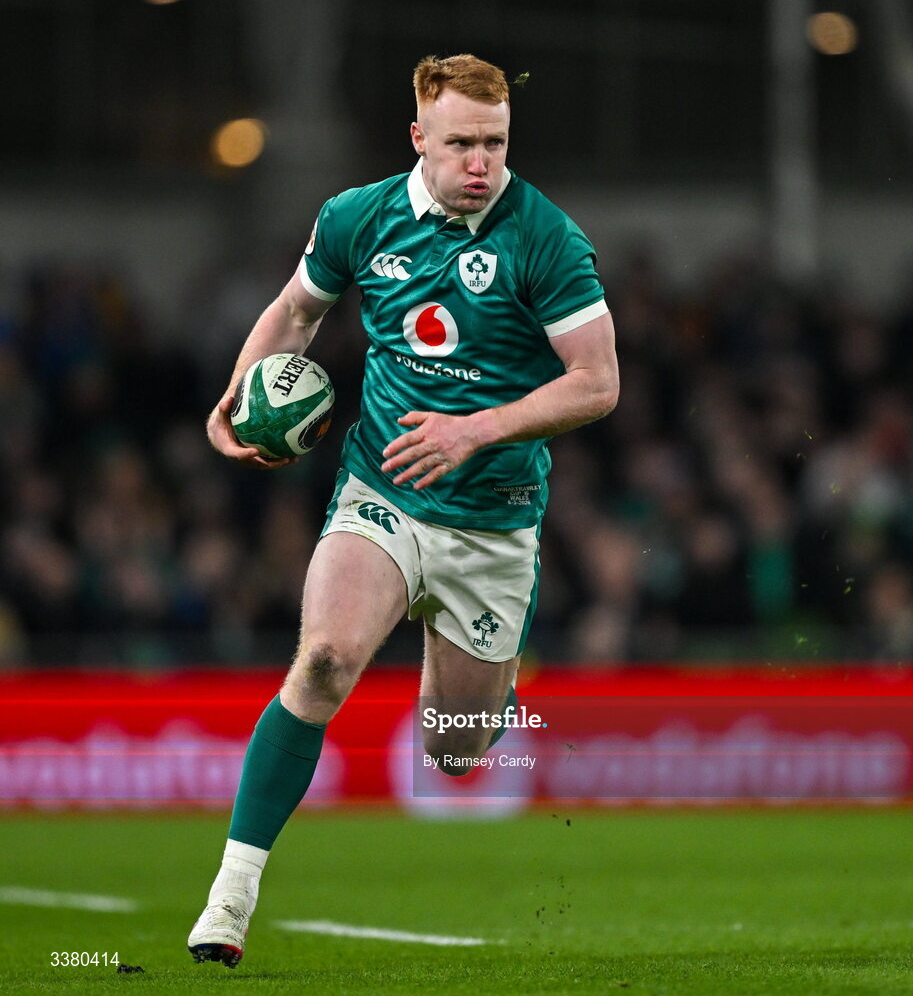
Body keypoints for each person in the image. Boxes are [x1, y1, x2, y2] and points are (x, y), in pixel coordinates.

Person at [188, 53, 619, 967]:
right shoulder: (356, 216)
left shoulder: (547, 238)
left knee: (456, 756)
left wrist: (478, 429)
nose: (480, 163)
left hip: (495, 520)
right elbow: (295, 313)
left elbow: (599, 383)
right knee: (325, 660)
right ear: (418, 137)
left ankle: (440, 629)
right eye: (461, 142)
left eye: (495, 144)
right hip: (382, 494)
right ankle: (229, 900)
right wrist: (240, 391)